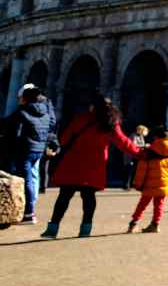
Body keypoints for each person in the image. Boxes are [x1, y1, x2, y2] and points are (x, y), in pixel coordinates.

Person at [41, 92, 143, 239]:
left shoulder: (81, 119)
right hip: (95, 165)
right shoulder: (110, 123)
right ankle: (85, 229)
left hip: (74, 162)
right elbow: (123, 142)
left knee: (64, 196)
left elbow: (64, 139)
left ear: (93, 106)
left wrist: (57, 147)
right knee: (88, 197)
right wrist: (141, 153)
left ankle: (52, 228)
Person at [1, 84, 57, 225]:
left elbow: (7, 124)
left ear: (25, 98)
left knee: (26, 180)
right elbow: (50, 128)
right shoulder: (45, 112)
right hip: (38, 149)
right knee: (32, 178)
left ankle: (29, 213)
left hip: (25, 149)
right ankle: (29, 209)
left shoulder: (23, 112)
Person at [128, 124, 168, 234]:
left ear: (156, 137)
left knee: (142, 204)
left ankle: (133, 224)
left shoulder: (149, 152)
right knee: (159, 205)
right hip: (165, 184)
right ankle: (155, 224)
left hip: (149, 184)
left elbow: (141, 170)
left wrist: (138, 184)